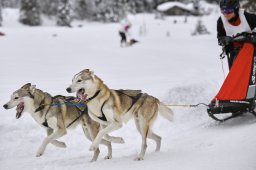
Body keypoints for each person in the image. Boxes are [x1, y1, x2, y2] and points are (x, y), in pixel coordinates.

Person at [217, 0, 256, 69]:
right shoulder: (221, 21)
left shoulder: (247, 17)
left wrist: (253, 36)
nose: (226, 14)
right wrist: (223, 40)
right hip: (234, 52)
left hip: (251, 50)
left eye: (229, 11)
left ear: (236, 9)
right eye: (223, 11)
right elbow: (220, 38)